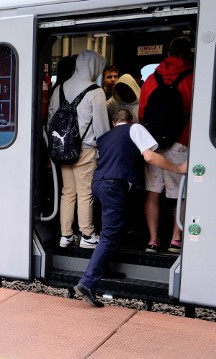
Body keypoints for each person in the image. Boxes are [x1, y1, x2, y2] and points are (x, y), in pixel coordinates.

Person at [74, 109, 187, 308]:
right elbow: (150, 156)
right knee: (110, 233)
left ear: (113, 121)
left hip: (99, 185)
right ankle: (87, 282)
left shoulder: (105, 136)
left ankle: (104, 269)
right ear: (132, 119)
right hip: (114, 186)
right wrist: (178, 169)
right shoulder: (135, 128)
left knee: (110, 229)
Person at [47, 50, 110, 249]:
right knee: (85, 193)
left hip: (62, 149)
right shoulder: (95, 91)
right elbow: (102, 127)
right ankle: (87, 235)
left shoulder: (60, 89)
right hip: (85, 150)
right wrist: (105, 150)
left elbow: (50, 120)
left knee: (68, 192)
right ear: (94, 67)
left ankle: (65, 235)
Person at [138, 36, 194, 254]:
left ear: (168, 54)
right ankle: (175, 240)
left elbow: (142, 111)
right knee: (180, 194)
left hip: (153, 143)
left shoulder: (152, 79)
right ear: (188, 53)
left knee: (152, 192)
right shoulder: (194, 78)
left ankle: (153, 240)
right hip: (180, 142)